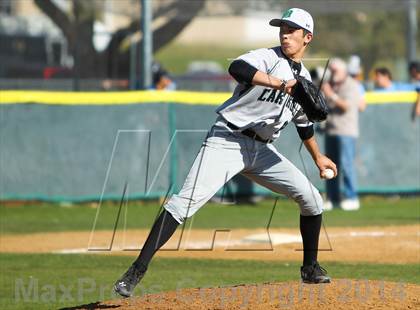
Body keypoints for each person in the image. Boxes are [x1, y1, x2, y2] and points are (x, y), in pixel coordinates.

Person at [114, 8, 337, 298]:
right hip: (227, 140)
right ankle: (135, 272)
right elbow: (237, 69)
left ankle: (310, 269)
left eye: (292, 29)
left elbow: (304, 125)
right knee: (184, 203)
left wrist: (318, 158)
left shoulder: (304, 79)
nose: (284, 33)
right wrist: (281, 84)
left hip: (261, 150)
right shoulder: (268, 58)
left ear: (307, 37)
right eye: (282, 27)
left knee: (312, 199)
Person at [321, 58, 363, 211]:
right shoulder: (330, 85)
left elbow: (346, 106)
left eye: (334, 70)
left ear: (343, 71)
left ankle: (352, 197)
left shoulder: (351, 85)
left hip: (346, 131)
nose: (332, 73)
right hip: (330, 130)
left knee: (346, 164)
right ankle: (333, 198)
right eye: (330, 70)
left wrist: (331, 95)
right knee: (330, 167)